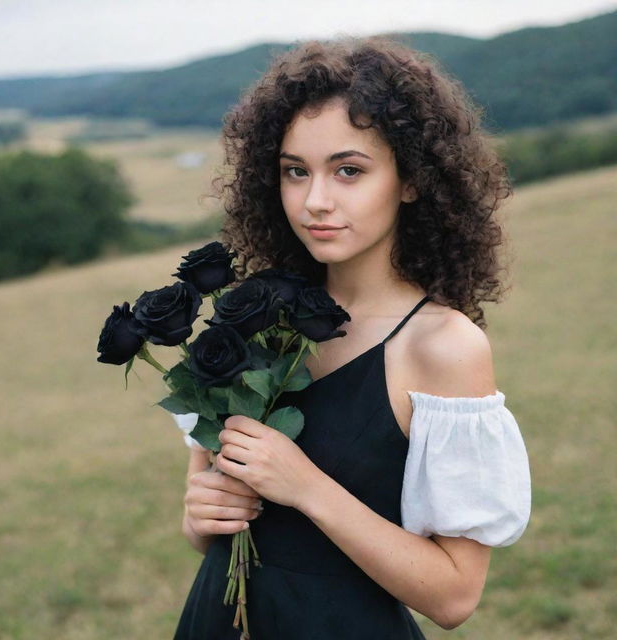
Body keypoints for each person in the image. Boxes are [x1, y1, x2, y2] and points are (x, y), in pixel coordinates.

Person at [174, 35, 531, 639]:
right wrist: (200, 515)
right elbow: (203, 518)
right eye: (295, 171)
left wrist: (305, 486)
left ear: (411, 180)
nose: (315, 201)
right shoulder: (251, 317)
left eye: (348, 170)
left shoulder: (442, 346)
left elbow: (453, 597)